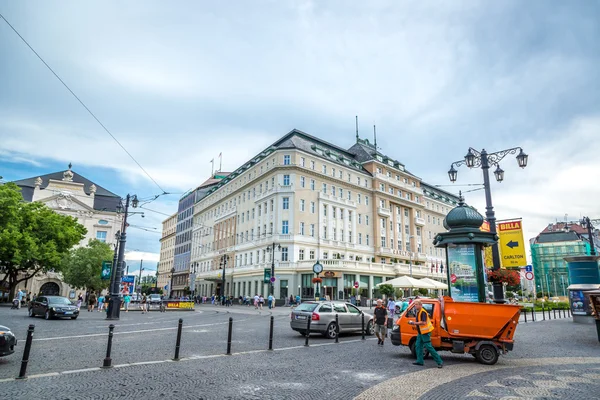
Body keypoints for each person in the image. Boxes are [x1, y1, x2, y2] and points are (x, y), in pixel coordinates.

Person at [408, 300, 443, 368]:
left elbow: (423, 322)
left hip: (425, 332)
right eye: (415, 304)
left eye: (416, 304)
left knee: (429, 347)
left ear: (420, 305)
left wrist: (413, 323)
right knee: (418, 346)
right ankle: (420, 361)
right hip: (421, 332)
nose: (415, 306)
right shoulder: (419, 311)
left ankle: (439, 362)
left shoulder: (422, 312)